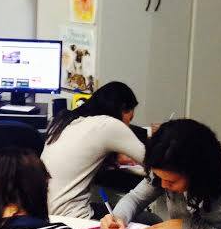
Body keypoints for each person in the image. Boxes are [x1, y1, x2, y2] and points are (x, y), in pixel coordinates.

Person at [41, 81, 145, 219]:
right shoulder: (108, 124)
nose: (128, 125)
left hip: (44, 214)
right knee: (150, 219)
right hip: (75, 217)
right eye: (129, 118)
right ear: (122, 108)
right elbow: (155, 161)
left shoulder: (63, 121)